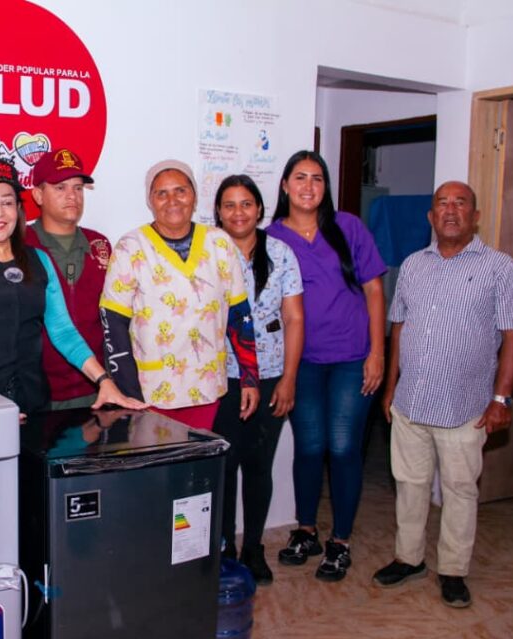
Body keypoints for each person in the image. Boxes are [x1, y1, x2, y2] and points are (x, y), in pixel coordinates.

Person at [373, 181, 513, 607]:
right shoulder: (412, 265)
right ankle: (408, 559)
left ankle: (453, 570)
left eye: (461, 203)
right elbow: (399, 327)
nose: (450, 210)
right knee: (410, 485)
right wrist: (389, 388)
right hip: (410, 403)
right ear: (431, 216)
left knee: (460, 490)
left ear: (475, 216)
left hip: (466, 408)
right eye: (442, 203)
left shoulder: (501, 268)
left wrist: (502, 400)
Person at [0, 155, 145, 416]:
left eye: (7, 203)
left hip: (35, 404)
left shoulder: (38, 259)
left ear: (18, 210)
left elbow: (63, 331)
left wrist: (103, 380)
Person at [267, 150, 386, 582]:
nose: (308, 186)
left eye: (317, 179)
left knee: (342, 447)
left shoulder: (348, 227)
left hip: (353, 357)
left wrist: (378, 352)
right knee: (309, 447)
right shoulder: (272, 238)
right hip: (301, 362)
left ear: (325, 187)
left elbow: (374, 290)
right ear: (284, 185)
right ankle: (305, 530)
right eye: (299, 177)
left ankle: (340, 541)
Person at [100, 159, 259, 430]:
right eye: (161, 193)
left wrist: (250, 378)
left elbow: (239, 315)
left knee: (195, 470)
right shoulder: (131, 247)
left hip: (205, 386)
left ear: (194, 197)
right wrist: (129, 391)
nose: (172, 199)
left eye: (180, 190)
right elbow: (113, 323)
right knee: (156, 471)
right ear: (150, 200)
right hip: (149, 392)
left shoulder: (219, 243)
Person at [210, 175, 304, 584]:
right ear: (217, 212)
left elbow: (295, 318)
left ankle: (253, 549)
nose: (238, 212)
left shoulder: (281, 254)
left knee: (258, 464)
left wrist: (288, 380)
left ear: (260, 210)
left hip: (268, 374)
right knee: (224, 465)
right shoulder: (207, 251)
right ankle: (225, 548)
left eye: (246, 203)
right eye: (229, 205)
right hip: (218, 377)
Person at [24, 148, 112, 410]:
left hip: (97, 389)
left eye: (78, 188)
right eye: (60, 188)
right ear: (38, 195)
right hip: (40, 395)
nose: (72, 196)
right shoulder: (19, 245)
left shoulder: (100, 244)